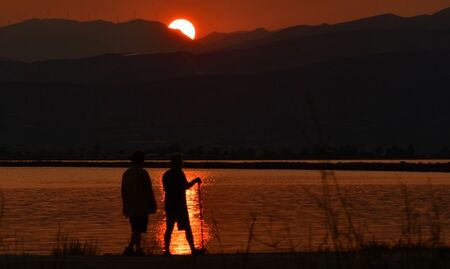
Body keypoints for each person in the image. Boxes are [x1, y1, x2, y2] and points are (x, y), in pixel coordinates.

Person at [163, 153, 204, 255]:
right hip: (180, 205)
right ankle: (193, 249)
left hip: (169, 205)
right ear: (178, 163)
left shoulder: (166, 175)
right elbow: (186, 186)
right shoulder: (179, 173)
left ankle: (167, 250)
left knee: (169, 228)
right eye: (181, 162)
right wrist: (195, 180)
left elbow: (166, 189)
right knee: (187, 228)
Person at [121, 150, 157, 256]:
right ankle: (130, 248)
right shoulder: (143, 173)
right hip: (141, 205)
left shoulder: (126, 173)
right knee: (138, 228)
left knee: (136, 228)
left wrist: (125, 205)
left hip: (131, 205)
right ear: (142, 160)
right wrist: (153, 204)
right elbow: (148, 190)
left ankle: (138, 249)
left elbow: (123, 191)